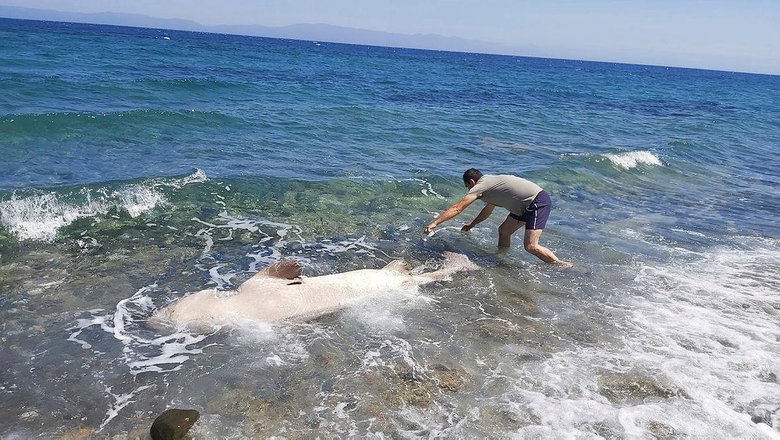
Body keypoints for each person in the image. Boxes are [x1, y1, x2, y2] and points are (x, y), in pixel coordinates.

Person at [423, 168, 570, 266]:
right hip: (524, 205)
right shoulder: (490, 184)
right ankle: (502, 260)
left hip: (537, 202)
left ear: (472, 182)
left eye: (468, 187)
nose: (469, 190)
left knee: (531, 246)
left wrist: (435, 223)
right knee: (504, 231)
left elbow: (458, 207)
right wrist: (472, 224)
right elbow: (488, 210)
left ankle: (560, 265)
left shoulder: (481, 186)